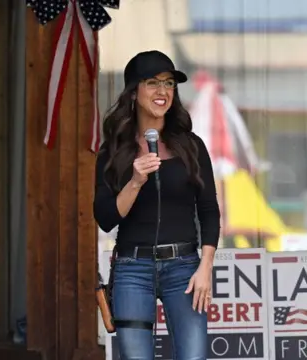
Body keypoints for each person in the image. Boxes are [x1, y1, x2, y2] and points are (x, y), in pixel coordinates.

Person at [93, 50, 220, 360]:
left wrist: (205, 267)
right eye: (153, 83)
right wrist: (135, 181)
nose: (163, 92)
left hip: (185, 268)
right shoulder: (113, 150)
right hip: (133, 269)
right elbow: (106, 218)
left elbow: (209, 210)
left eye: (169, 84)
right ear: (133, 92)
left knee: (193, 356)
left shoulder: (191, 145)